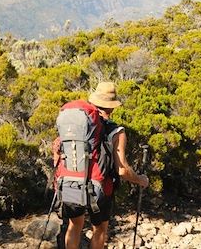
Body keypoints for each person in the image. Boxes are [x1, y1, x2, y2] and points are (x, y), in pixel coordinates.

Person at [55, 82, 149, 249]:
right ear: (112, 107)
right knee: (99, 229)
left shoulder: (78, 125)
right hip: (99, 189)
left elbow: (57, 153)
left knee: (74, 225)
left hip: (69, 184)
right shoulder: (116, 131)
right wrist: (140, 179)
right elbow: (122, 170)